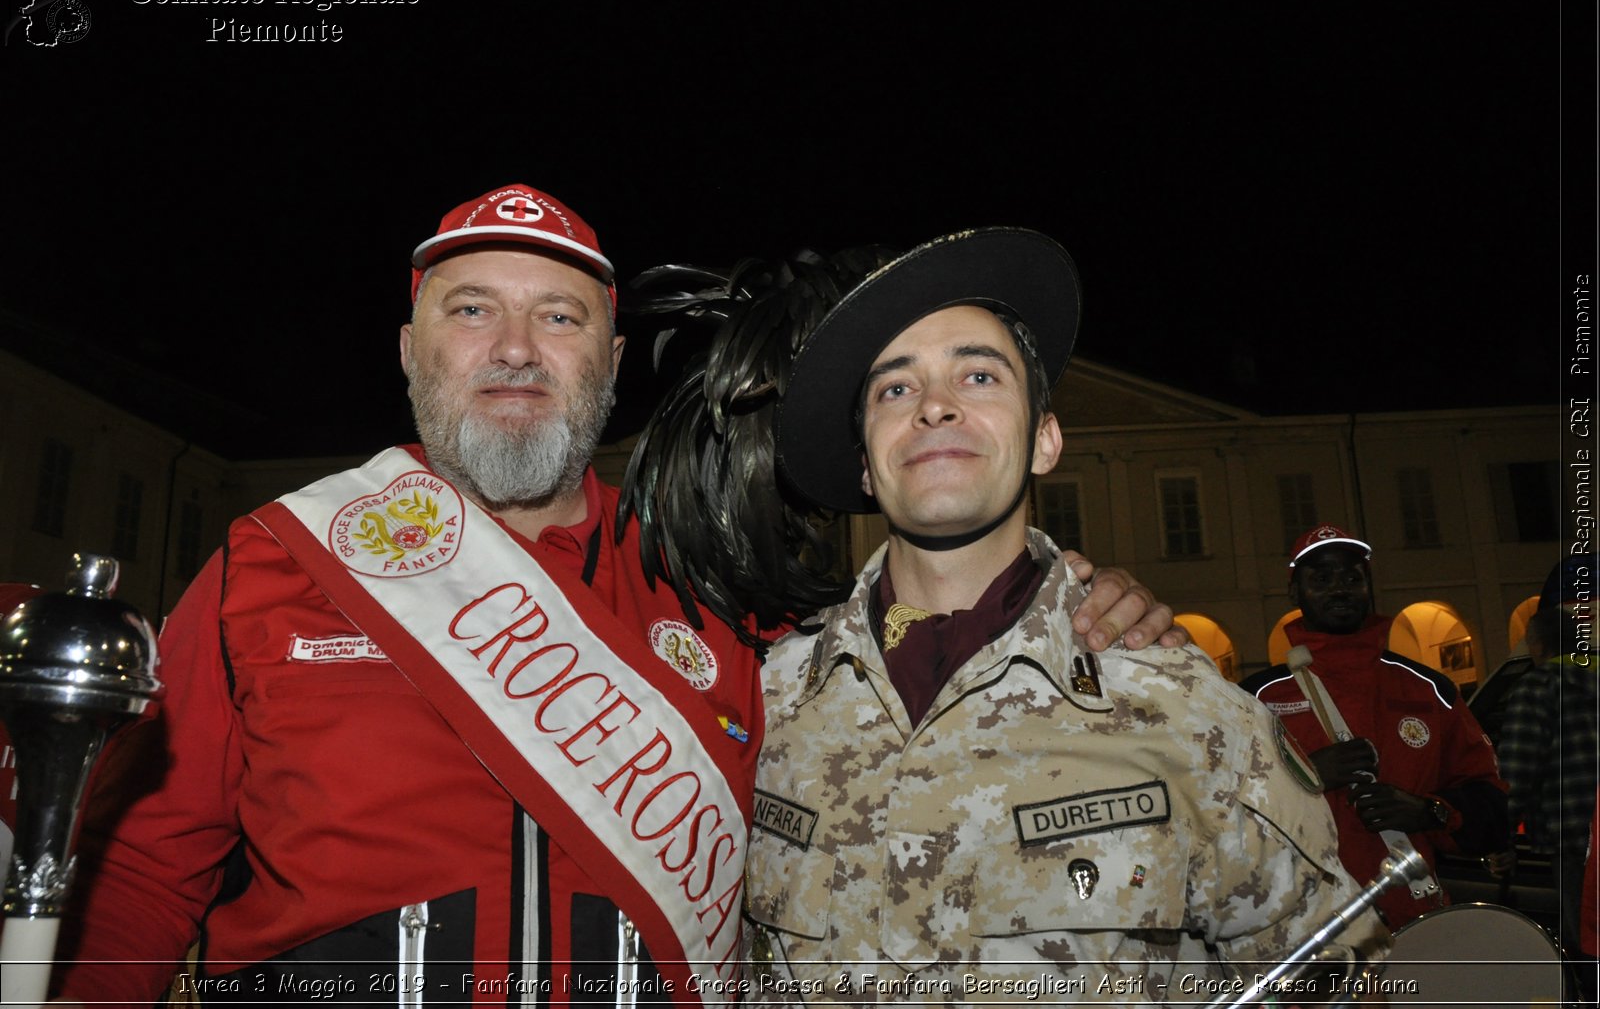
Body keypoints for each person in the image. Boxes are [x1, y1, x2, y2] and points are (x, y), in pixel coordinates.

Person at [36, 186, 1173, 1007]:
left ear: (613, 361)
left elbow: (921, 642)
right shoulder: (271, 563)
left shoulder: (714, 580)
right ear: (407, 346)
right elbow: (137, 871)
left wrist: (1072, 596)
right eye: (472, 309)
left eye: (561, 317)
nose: (517, 349)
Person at [743, 227, 1388, 1003]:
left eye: (978, 376)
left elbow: (1343, 981)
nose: (936, 406)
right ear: (864, 468)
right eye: (894, 388)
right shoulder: (766, 704)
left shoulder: (1190, 713)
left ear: (1045, 438)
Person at [1242, 524, 1510, 932]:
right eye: (1322, 578)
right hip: (1295, 927)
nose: (1340, 589)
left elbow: (1491, 804)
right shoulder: (1255, 697)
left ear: (1369, 586)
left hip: (1408, 916)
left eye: (1353, 577)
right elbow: (1213, 807)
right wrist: (1301, 775)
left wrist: (1429, 811)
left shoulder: (1427, 689)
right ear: (1295, 593)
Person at [1497, 553, 1598, 985]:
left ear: (1536, 645)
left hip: (1575, 840)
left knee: (1588, 942)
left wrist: (1498, 837)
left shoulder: (1534, 689)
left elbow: (1514, 775)